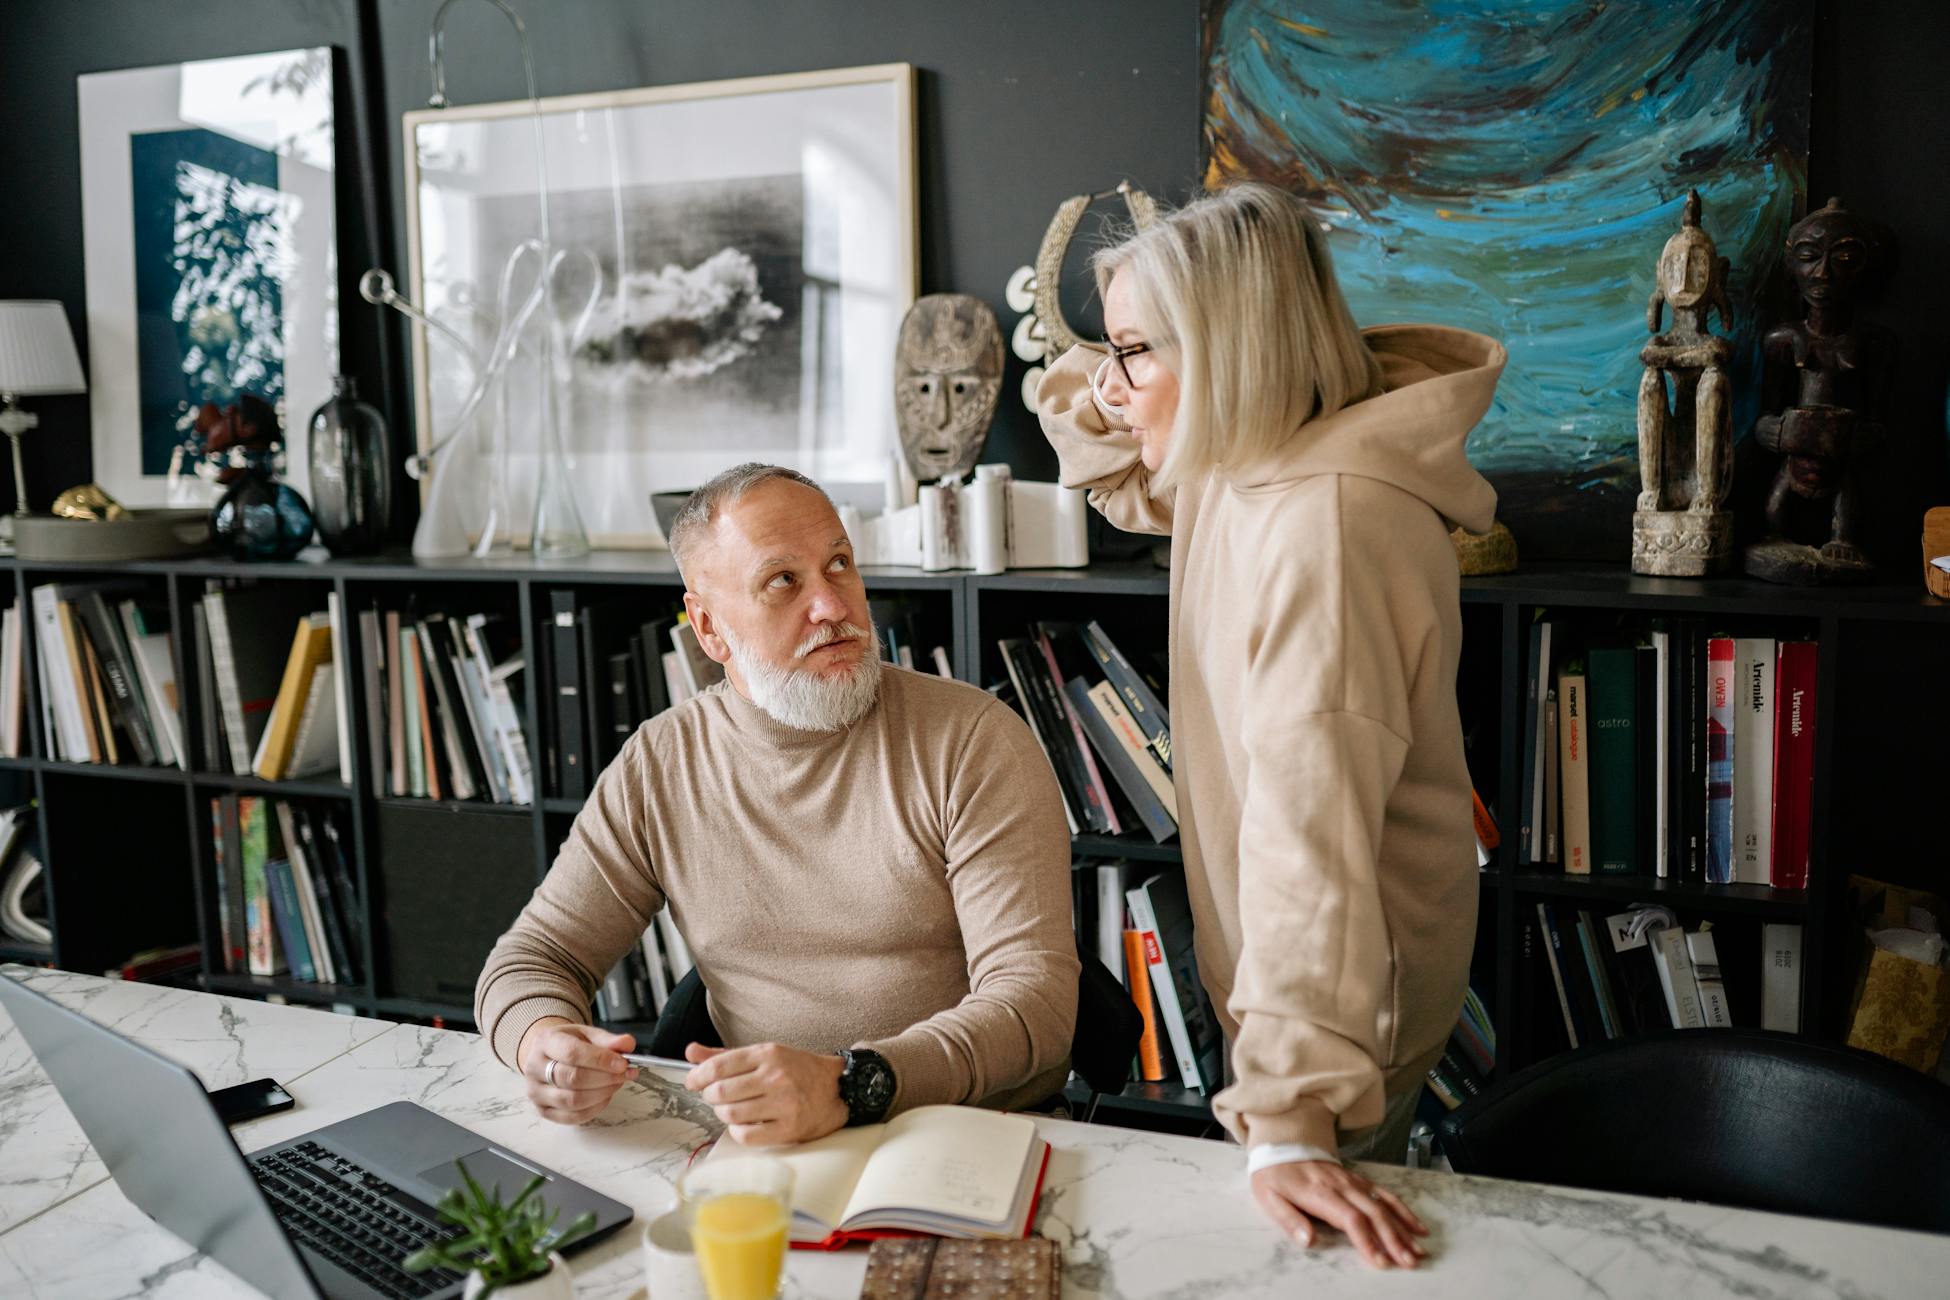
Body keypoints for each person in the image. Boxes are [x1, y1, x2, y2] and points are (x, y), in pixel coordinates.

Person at [1038, 182, 1504, 1270]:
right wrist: (1130, 361)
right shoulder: (1239, 462)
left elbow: (1312, 832)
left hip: (1339, 1006)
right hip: (1297, 982)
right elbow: (1108, 462)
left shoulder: (1328, 530)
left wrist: (1290, 1111)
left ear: (1231, 350)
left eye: (1136, 355)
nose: (1112, 388)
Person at [475, 463, 1078, 1147]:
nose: (833, 606)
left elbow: (1036, 1004)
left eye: (839, 564)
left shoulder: (972, 740)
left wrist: (852, 1084)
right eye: (784, 581)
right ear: (708, 629)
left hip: (969, 1135)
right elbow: (533, 957)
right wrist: (544, 1046)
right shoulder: (662, 763)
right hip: (769, 1142)